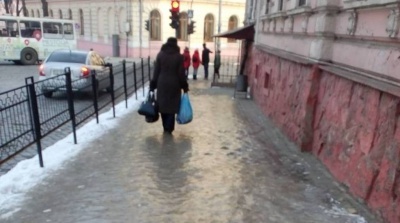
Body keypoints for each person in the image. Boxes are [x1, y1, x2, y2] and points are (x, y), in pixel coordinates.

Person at [150, 37, 189, 134]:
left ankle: (165, 127)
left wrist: (153, 84)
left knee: (163, 106)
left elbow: (156, 71)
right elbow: (181, 74)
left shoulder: (160, 55)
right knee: (171, 108)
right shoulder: (179, 57)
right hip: (174, 85)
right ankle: (169, 129)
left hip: (162, 83)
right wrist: (184, 86)